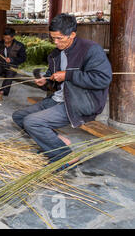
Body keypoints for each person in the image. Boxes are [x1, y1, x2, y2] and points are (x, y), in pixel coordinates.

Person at [12, 14, 112, 168]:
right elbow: (52, 79)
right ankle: (57, 142)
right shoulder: (56, 54)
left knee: (32, 122)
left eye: (60, 38)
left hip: (79, 102)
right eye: (53, 38)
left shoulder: (91, 50)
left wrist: (68, 75)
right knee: (19, 116)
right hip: (59, 98)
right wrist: (45, 80)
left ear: (72, 34)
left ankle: (66, 156)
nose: (56, 42)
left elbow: (102, 79)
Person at [0, 28, 27, 100]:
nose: (5, 40)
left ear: (13, 37)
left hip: (12, 66)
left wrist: (12, 60)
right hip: (0, 65)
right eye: (4, 38)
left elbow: (23, 58)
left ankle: (1, 93)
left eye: (8, 38)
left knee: (10, 75)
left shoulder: (19, 46)